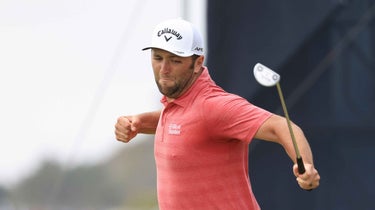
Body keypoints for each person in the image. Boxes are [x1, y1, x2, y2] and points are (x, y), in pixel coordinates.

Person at [115, 18, 320, 210]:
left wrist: (306, 167)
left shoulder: (214, 106)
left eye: (175, 60)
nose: (164, 69)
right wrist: (139, 122)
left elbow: (282, 127)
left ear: (197, 63)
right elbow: (183, 123)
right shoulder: (177, 105)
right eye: (158, 58)